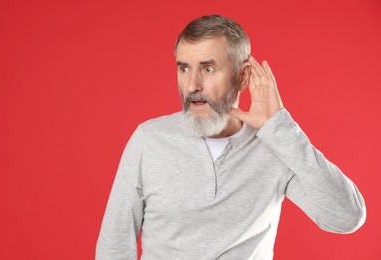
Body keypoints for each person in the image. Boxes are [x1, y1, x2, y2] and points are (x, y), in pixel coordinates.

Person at [96, 15, 366, 260]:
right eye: (184, 68)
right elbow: (115, 243)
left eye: (208, 69)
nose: (192, 86)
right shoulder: (149, 139)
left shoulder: (275, 144)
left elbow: (346, 217)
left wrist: (280, 128)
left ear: (243, 76)